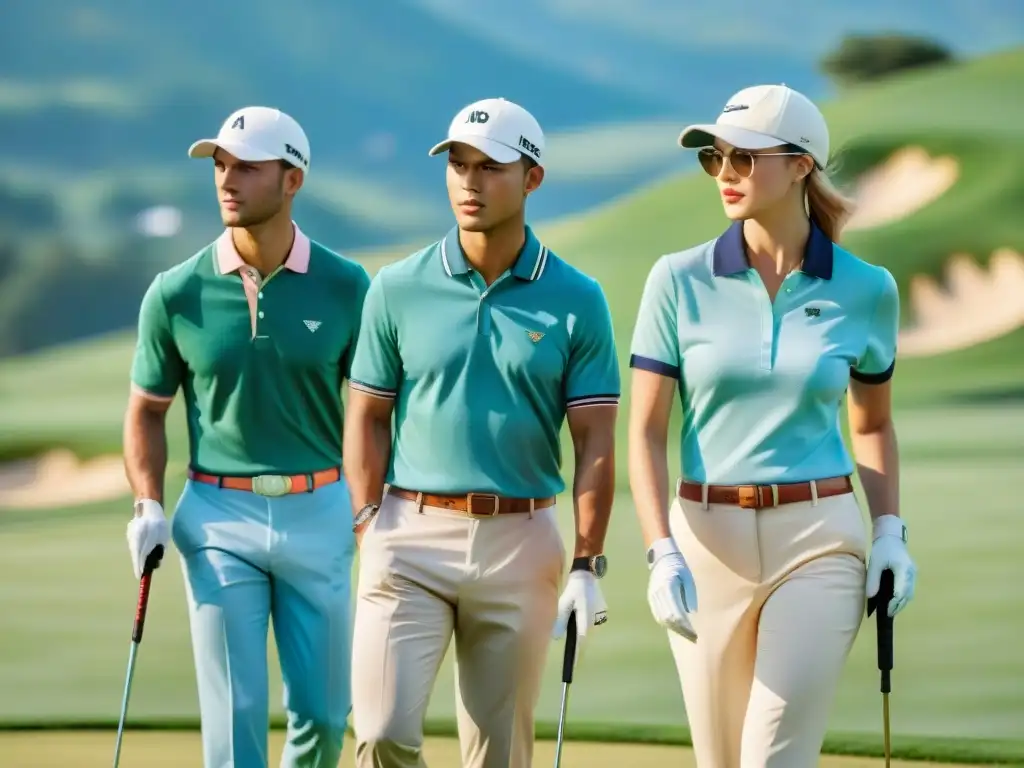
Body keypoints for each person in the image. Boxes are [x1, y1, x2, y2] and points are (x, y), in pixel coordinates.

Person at [627, 84, 919, 767]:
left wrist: (888, 533)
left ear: (799, 166)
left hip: (818, 541)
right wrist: (660, 550)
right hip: (706, 544)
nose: (724, 173)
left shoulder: (866, 288)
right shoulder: (676, 281)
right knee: (721, 760)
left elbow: (872, 425)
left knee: (772, 760)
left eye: (744, 158)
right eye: (714, 158)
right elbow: (643, 430)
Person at [344, 97, 620, 768]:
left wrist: (587, 561)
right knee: (380, 731)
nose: (470, 181)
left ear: (532, 179)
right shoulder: (397, 287)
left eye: (491, 167)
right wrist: (366, 521)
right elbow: (366, 417)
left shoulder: (577, 298)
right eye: (458, 165)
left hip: (521, 543)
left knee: (499, 756)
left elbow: (596, 443)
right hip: (407, 537)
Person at [123, 105, 370, 768]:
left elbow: (375, 412)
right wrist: (148, 502)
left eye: (247, 167)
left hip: (320, 511)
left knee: (323, 716)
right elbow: (146, 410)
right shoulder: (175, 293)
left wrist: (377, 507)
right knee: (234, 721)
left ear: (292, 181)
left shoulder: (348, 287)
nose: (227, 180)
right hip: (217, 517)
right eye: (220, 165)